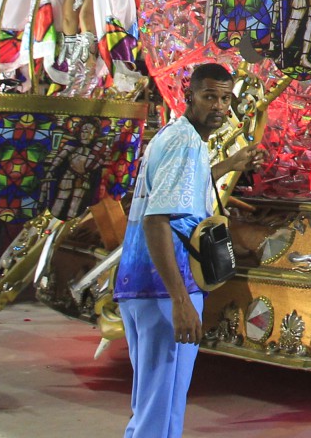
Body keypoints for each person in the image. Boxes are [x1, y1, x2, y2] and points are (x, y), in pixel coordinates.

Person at [115, 63, 252, 438]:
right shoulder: (186, 144)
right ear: (188, 97)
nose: (219, 106)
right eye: (210, 96)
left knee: (152, 403)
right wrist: (179, 300)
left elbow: (179, 188)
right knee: (161, 406)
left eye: (226, 98)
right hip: (165, 286)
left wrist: (227, 166)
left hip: (141, 284)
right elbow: (157, 221)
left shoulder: (176, 138)